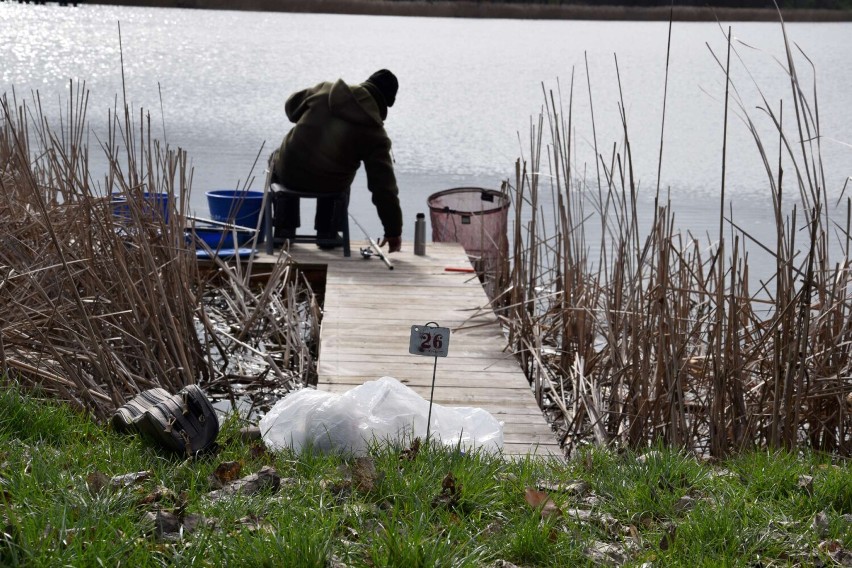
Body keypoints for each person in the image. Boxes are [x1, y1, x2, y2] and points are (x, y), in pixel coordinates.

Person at [271, 69, 403, 253]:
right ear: (387, 104)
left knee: (276, 159)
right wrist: (393, 231)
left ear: (367, 82)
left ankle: (284, 228)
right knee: (340, 173)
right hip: (330, 186)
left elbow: (291, 108)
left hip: (289, 173)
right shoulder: (375, 134)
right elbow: (383, 187)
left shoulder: (326, 91)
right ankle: (327, 232)